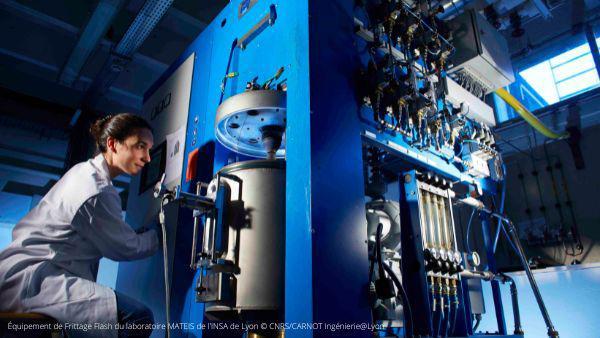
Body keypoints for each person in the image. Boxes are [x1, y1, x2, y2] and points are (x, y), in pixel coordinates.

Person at [0, 113, 159, 338]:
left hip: (28, 276)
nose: (147, 158)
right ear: (113, 144)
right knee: (137, 318)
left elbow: (117, 237)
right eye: (140, 146)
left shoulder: (86, 174)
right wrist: (160, 231)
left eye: (150, 149)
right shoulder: (95, 189)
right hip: (35, 279)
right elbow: (125, 247)